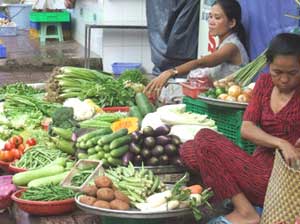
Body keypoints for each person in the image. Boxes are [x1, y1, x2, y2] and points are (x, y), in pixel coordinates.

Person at [179, 32, 300, 224]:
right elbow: (247, 128)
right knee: (189, 150)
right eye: (277, 72)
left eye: (292, 73)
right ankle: (242, 201)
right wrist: (281, 143)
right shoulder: (264, 84)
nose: (284, 79)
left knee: (204, 138)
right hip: (256, 168)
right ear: (269, 67)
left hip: (281, 181)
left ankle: (245, 212)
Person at [145, 0, 249, 99]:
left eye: (217, 18)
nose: (211, 22)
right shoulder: (224, 43)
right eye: (210, 17)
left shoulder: (231, 46)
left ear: (231, 23)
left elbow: (201, 63)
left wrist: (171, 72)